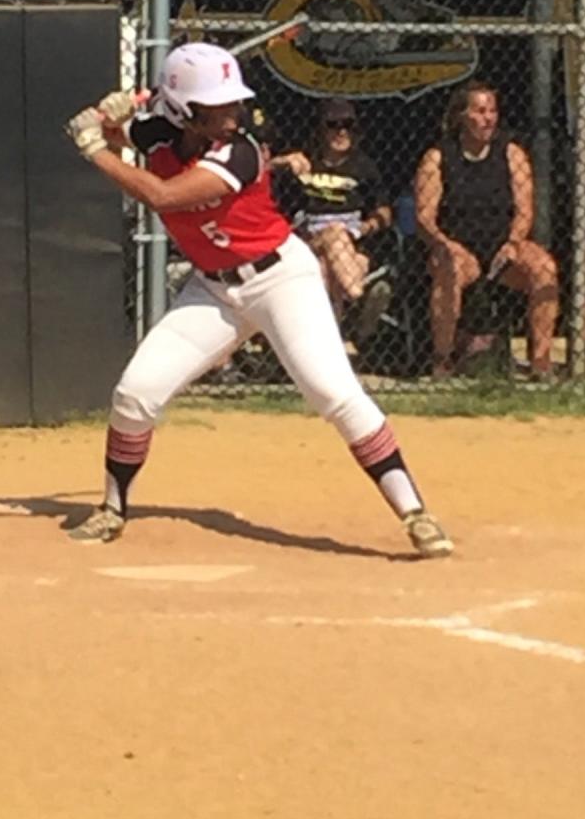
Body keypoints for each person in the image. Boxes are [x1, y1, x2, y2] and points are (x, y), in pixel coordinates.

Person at [63, 41, 452, 557]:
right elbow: (119, 130)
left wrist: (95, 150)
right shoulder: (158, 130)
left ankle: (415, 513)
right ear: (183, 110)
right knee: (136, 392)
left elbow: (162, 195)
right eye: (216, 107)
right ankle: (113, 507)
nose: (230, 115)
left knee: (332, 393)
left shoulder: (240, 151)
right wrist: (105, 115)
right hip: (214, 288)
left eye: (231, 104)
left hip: (280, 279)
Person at [414, 80, 558, 380]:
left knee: (544, 267)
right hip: (458, 247)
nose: (488, 118)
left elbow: (524, 209)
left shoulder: (511, 153)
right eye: (479, 111)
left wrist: (514, 241)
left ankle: (541, 362)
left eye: (492, 111)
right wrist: (444, 243)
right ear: (462, 116)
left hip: (502, 245)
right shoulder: (438, 157)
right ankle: (442, 360)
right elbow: (425, 217)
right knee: (450, 268)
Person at [285, 97, 394, 347]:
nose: (341, 131)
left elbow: (384, 211)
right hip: (309, 240)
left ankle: (327, 346)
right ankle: (359, 299)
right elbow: (285, 212)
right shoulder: (305, 164)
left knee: (325, 271)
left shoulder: (364, 167)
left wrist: (366, 227)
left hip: (353, 246)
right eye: (333, 124)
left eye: (348, 125)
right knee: (333, 234)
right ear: (321, 129)